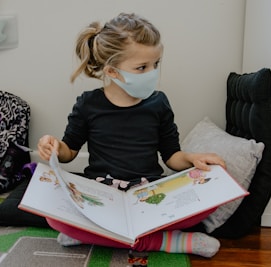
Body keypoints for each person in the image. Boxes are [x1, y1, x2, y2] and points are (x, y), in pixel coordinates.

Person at [38, 12, 226, 258]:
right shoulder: (88, 104)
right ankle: (167, 242)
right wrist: (52, 146)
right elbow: (69, 152)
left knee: (210, 199)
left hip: (148, 195)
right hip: (102, 195)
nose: (153, 72)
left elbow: (171, 156)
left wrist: (192, 159)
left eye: (156, 64)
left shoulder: (159, 103)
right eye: (142, 67)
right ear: (113, 72)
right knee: (53, 218)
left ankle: (93, 235)